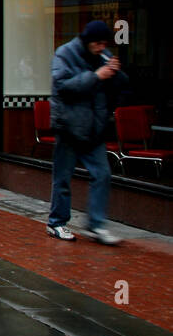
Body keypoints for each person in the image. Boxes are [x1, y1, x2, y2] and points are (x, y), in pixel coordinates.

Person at [46, 20, 127, 245]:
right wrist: (97, 76)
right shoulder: (65, 53)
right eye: (98, 43)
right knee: (63, 177)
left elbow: (121, 85)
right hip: (69, 127)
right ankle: (56, 223)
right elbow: (63, 86)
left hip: (94, 128)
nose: (102, 48)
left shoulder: (102, 56)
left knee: (102, 174)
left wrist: (115, 73)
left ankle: (96, 225)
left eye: (105, 44)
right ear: (88, 41)